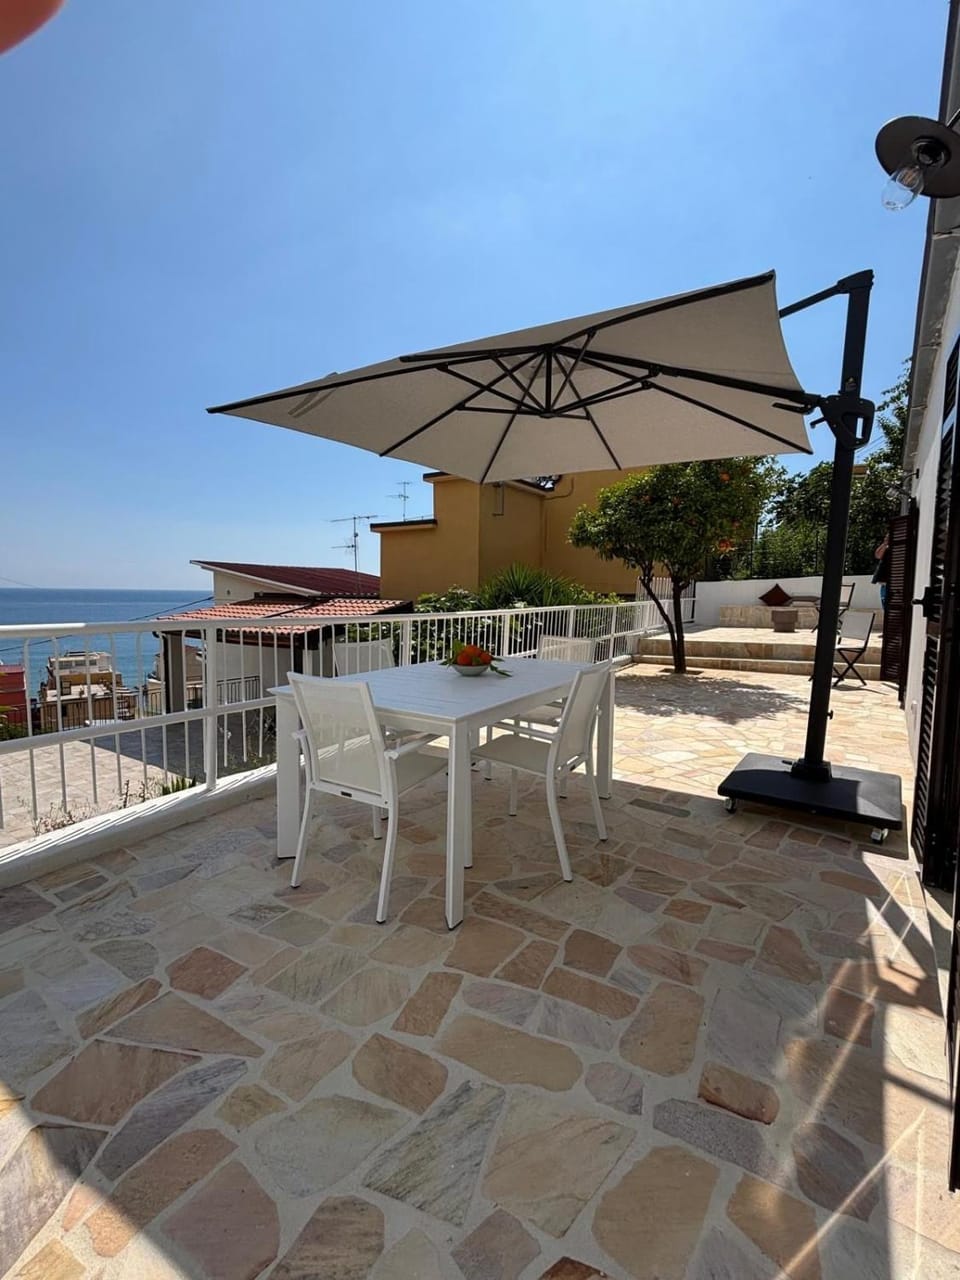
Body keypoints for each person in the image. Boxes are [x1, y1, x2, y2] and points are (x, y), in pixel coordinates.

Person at [873, 535, 890, 610]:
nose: (885, 538)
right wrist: (884, 544)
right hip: (884, 584)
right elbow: (877, 555)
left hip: (890, 584)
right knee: (885, 606)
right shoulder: (886, 548)